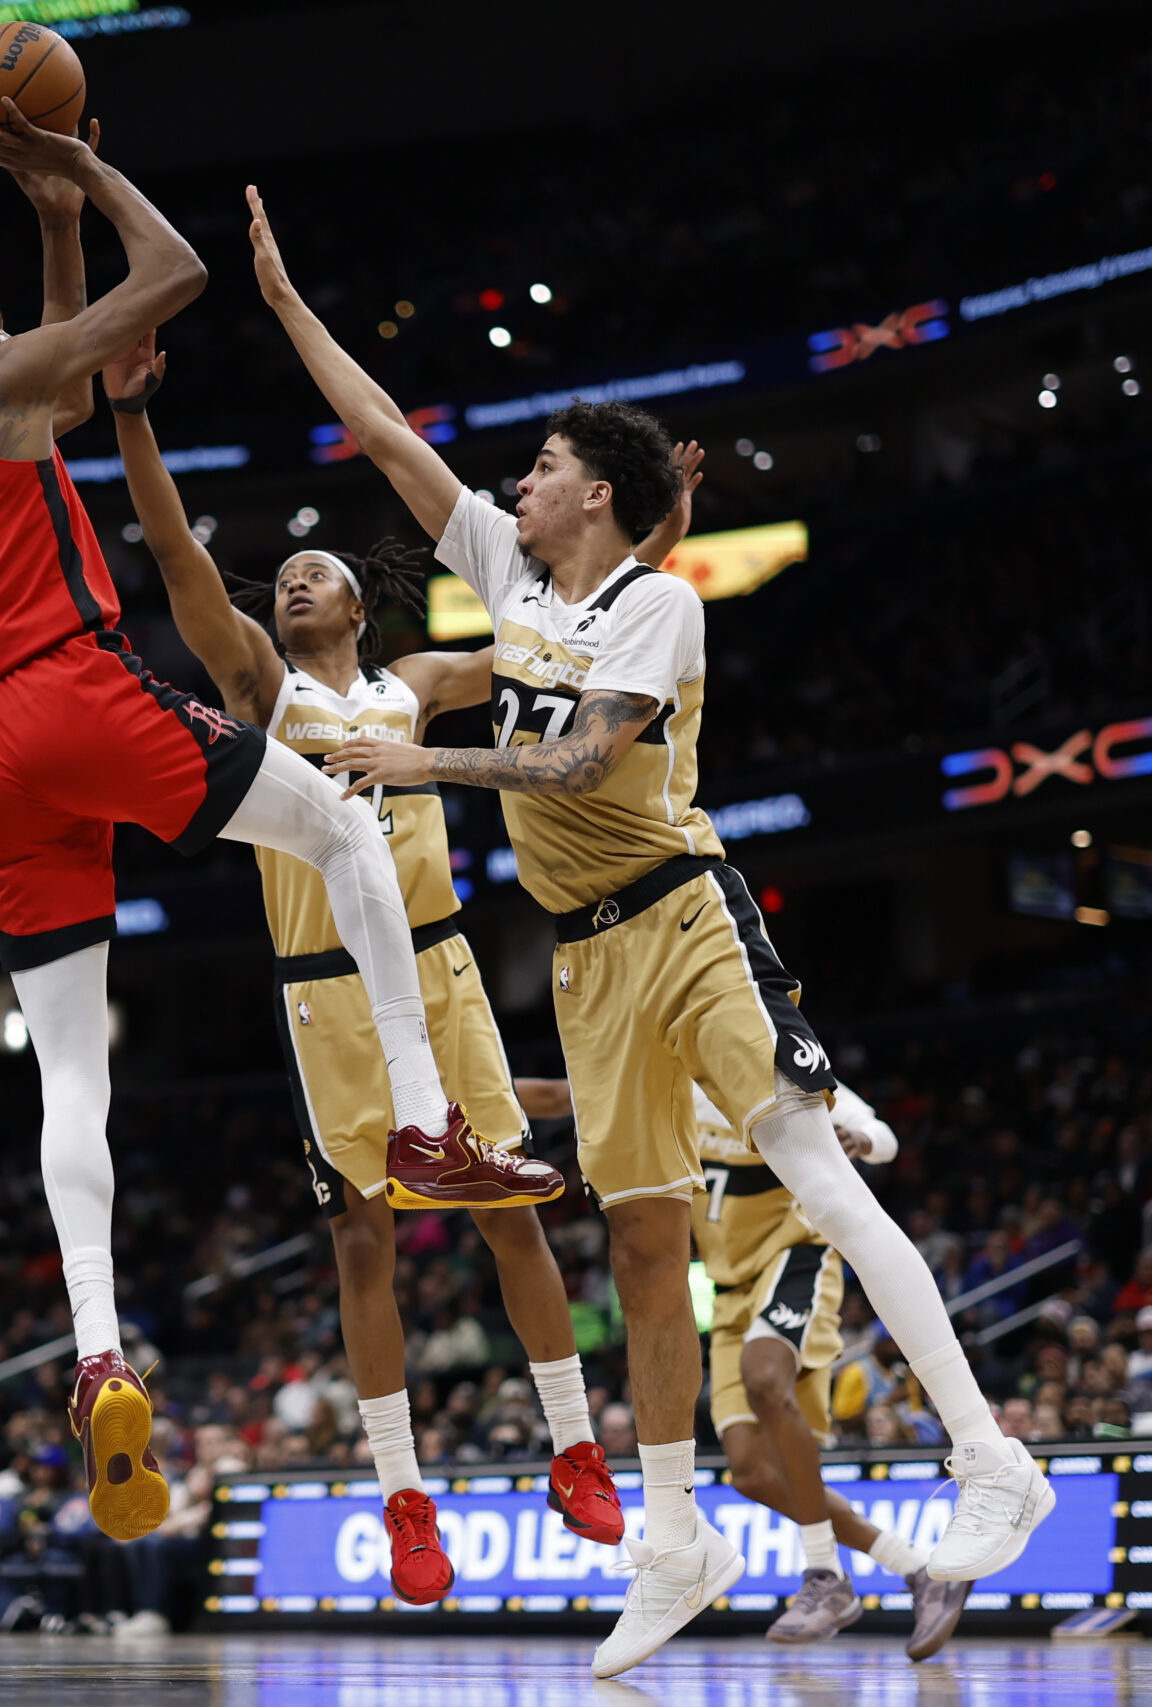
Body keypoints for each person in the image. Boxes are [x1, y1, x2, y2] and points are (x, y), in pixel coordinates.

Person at [246, 184, 1050, 1678]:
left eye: (542, 467)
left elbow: (585, 757)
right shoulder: (504, 569)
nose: (517, 481)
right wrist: (288, 306)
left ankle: (990, 1449)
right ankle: (677, 1539)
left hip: (685, 909)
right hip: (580, 951)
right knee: (637, 1234)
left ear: (594, 498)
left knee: (809, 1155)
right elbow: (388, 441)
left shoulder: (659, 607)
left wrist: (428, 762)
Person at [0, 99, 473, 1551]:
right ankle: (428, 1114)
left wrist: (53, 228)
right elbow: (181, 269)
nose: (17, 327)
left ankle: (95, 1352)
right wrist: (82, 169)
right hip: (71, 691)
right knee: (339, 822)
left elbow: (69, 380)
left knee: (71, 1067)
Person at [101, 342, 659, 1602]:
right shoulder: (262, 690)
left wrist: (656, 538)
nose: (294, 583)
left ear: (359, 606)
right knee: (363, 1241)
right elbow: (182, 567)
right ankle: (403, 1497)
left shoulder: (413, 687)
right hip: (323, 990)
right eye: (285, 576)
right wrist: (133, 420)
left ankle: (576, 1449)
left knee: (511, 1208)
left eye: (316, 575)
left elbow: (558, 641)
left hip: (443, 966)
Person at [519, 1076, 967, 1655]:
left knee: (763, 1377)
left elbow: (884, 1137)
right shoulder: (667, 1082)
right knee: (753, 1474)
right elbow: (557, 1097)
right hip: (729, 1289)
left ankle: (824, 1575)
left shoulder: (767, 1064)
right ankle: (915, 1568)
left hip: (796, 1256)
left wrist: (856, 1138)